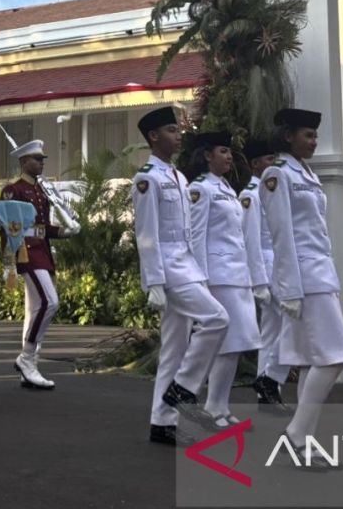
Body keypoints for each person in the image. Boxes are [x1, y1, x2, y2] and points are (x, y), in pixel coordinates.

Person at [260, 108, 343, 470]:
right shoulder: (277, 174)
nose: (313, 141)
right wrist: (289, 289)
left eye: (315, 136)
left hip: (319, 275)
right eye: (307, 135)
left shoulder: (307, 174)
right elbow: (281, 234)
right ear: (288, 137)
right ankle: (297, 434)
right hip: (303, 277)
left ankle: (305, 442)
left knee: (314, 359)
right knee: (335, 356)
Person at [132, 108, 229, 446]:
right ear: (154, 137)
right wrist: (154, 281)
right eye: (171, 130)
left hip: (186, 265)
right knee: (217, 319)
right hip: (170, 269)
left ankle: (162, 422)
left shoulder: (179, 177)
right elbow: (146, 233)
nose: (178, 135)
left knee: (174, 348)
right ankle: (184, 388)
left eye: (178, 130)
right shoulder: (147, 178)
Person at [186, 130, 261, 431]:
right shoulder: (201, 189)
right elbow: (196, 236)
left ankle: (219, 404)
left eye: (229, 152)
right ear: (207, 155)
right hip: (217, 276)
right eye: (222, 151)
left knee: (238, 343)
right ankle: (211, 406)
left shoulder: (227, 188)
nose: (229, 156)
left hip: (237, 275)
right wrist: (199, 279)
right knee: (227, 343)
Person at [0, 138, 78, 390]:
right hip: (26, 252)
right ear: (24, 162)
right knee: (50, 302)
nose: (41, 163)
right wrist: (7, 261)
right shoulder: (14, 190)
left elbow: (42, 227)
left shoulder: (42, 190)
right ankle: (26, 358)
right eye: (37, 159)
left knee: (35, 310)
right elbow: (8, 227)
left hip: (42, 250)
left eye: (42, 159)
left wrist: (64, 233)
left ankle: (30, 366)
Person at [239, 138, 292, 414]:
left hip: (277, 266)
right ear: (255, 164)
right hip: (268, 269)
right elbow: (251, 241)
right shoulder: (251, 194)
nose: (273, 164)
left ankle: (267, 394)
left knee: (271, 333)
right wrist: (258, 281)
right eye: (268, 160)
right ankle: (267, 381)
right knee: (292, 324)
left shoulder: (271, 192)